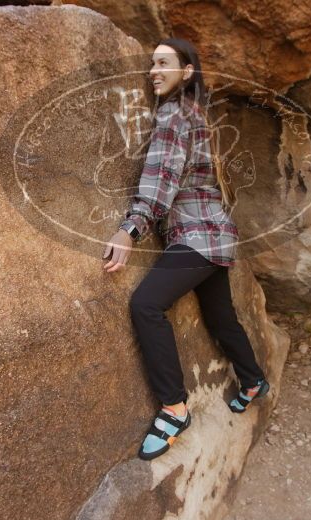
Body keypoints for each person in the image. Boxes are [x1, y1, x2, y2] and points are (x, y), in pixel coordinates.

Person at [102, 38, 269, 461]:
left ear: (187, 71)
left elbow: (162, 179)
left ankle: (174, 409)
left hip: (197, 236)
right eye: (151, 65)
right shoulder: (198, 114)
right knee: (220, 317)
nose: (153, 71)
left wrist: (130, 230)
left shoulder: (174, 115)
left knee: (145, 305)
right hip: (216, 236)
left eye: (163, 63)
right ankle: (252, 381)